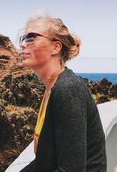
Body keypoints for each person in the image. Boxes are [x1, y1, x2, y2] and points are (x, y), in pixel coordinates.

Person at [19, 15, 107, 172]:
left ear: (56, 47)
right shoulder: (51, 89)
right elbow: (44, 162)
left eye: (31, 38)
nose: (22, 44)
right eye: (22, 38)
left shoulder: (67, 89)